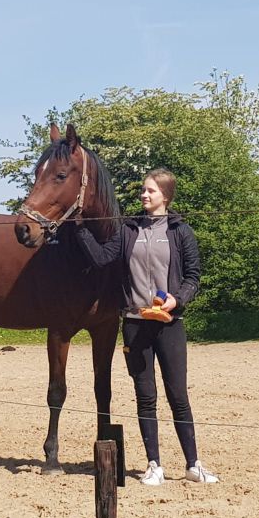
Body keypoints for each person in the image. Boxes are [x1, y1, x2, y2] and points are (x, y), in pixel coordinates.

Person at [75, 168, 219, 485]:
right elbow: (101, 258)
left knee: (178, 395)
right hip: (135, 323)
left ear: (165, 196)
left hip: (169, 323)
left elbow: (193, 277)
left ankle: (193, 464)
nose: (144, 195)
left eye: (150, 191)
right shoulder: (128, 230)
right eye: (143, 190)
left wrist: (177, 300)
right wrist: (81, 228)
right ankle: (154, 465)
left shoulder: (181, 231)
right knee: (146, 396)